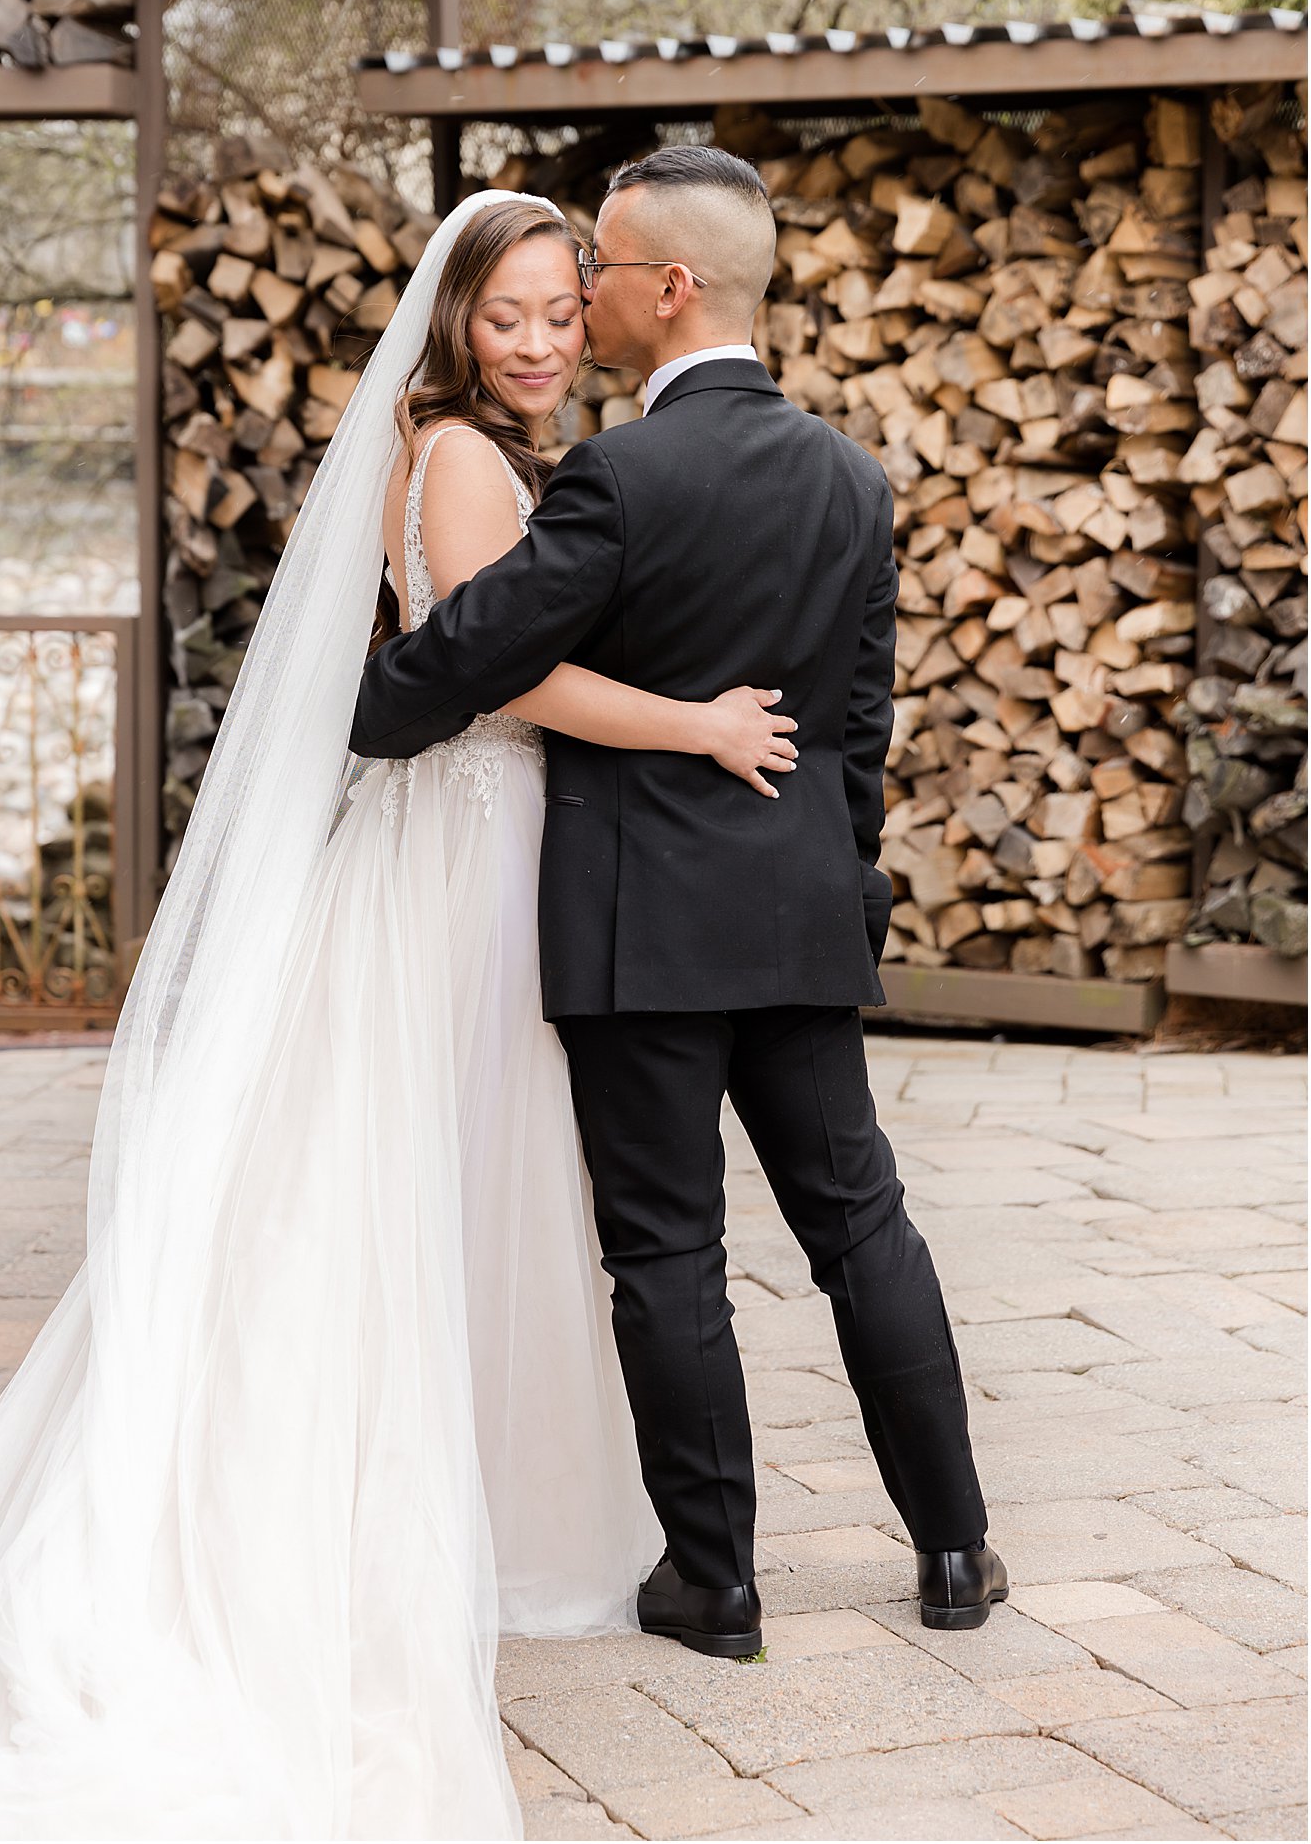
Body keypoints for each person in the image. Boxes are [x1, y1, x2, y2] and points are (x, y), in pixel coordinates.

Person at [0, 188, 802, 1843]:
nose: (544, 342)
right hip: (470, 842)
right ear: (457, 322)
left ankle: (465, 1497)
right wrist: (695, 725)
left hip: (462, 837)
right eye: (512, 317)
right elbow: (501, 675)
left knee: (440, 1175)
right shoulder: (470, 458)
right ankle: (423, 1517)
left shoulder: (465, 444)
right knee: (444, 1171)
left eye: (564, 310)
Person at [353, 145, 1007, 1658]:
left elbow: (478, 650)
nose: (580, 295)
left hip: (637, 924)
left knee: (668, 1254)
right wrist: (842, 896)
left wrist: (369, 707)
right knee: (865, 1230)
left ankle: (715, 1584)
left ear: (669, 286)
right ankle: (958, 1547)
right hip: (793, 917)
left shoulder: (618, 474)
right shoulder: (856, 479)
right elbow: (857, 734)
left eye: (600, 269)